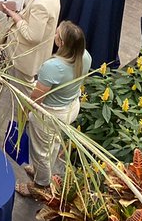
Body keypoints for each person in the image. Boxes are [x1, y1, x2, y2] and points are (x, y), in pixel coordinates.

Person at [18, 21, 91, 197]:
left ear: (62, 43)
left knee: (41, 151)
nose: (54, 35)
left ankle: (39, 186)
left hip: (50, 114)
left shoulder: (53, 67)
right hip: (70, 107)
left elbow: (37, 98)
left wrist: (25, 111)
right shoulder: (85, 56)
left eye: (57, 34)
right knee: (53, 142)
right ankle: (40, 170)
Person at [0, 0, 61, 84]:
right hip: (22, 53)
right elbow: (32, 0)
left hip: (25, 58)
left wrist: (15, 16)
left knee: (22, 92)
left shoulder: (42, 6)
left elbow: (33, 36)